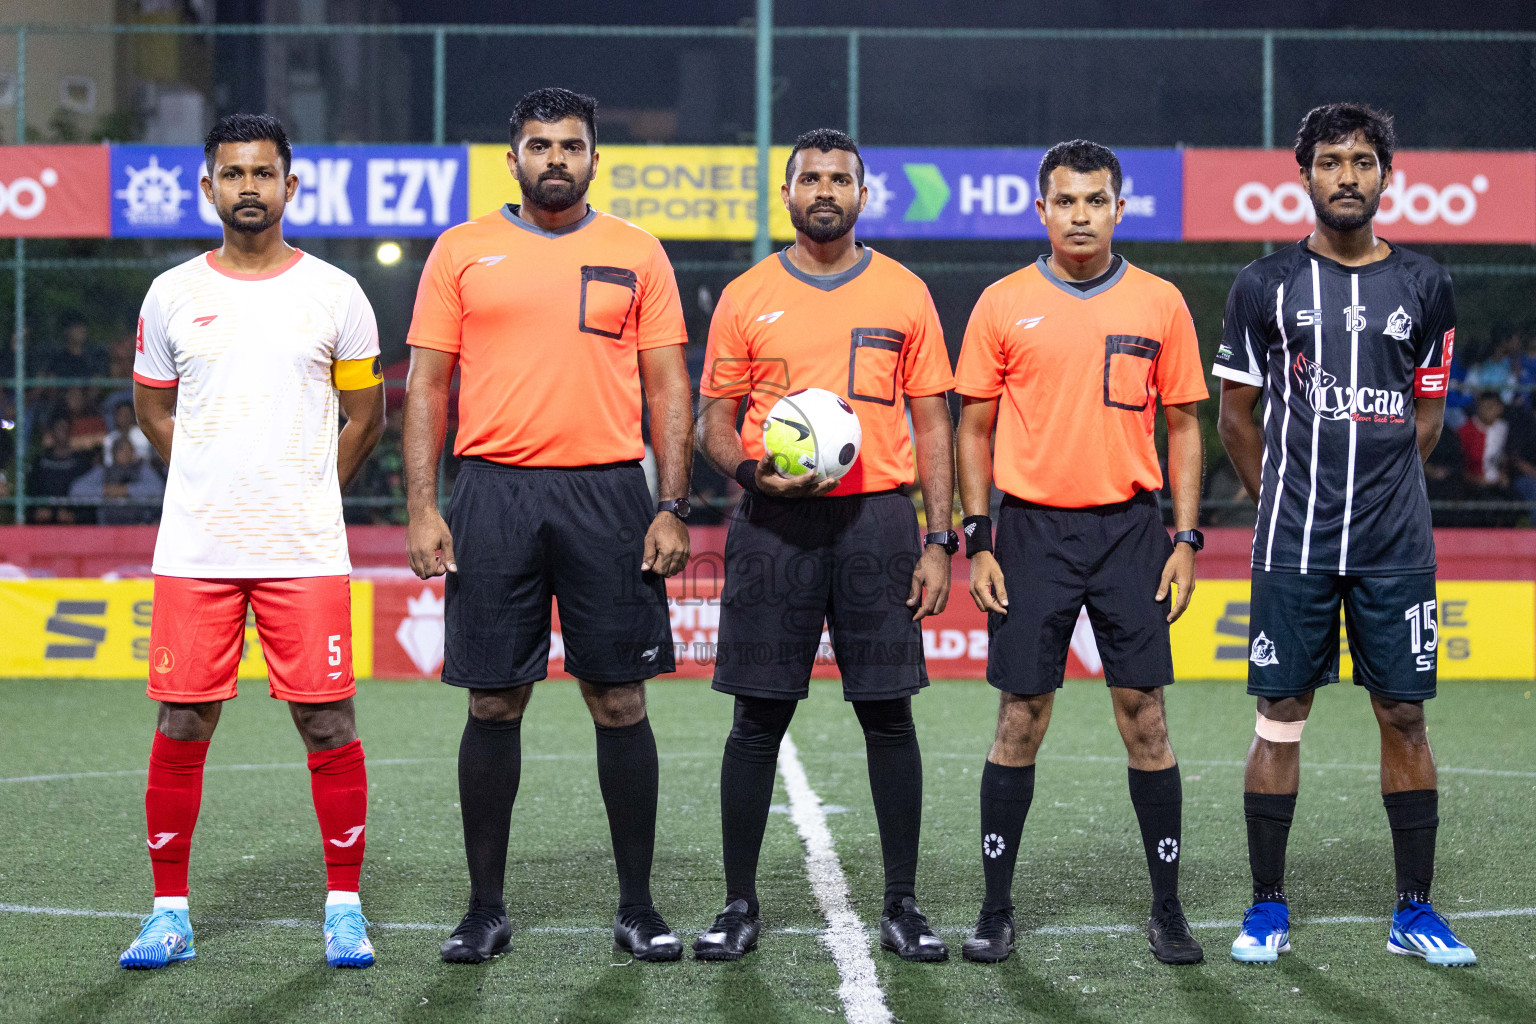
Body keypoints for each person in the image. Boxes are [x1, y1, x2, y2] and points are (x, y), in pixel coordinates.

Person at [403, 87, 694, 965]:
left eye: (571, 145)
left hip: (609, 493)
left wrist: (672, 503)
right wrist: (423, 506)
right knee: (494, 699)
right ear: (514, 158)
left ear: (595, 158)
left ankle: (637, 908)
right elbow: (425, 387)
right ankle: (484, 909)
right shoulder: (462, 251)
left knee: (620, 698)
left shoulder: (637, 251)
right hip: (493, 494)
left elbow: (668, 388)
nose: (556, 158)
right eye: (540, 145)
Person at [117, 113, 386, 971]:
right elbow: (153, 411)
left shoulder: (337, 294)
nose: (247, 188)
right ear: (207, 187)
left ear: (289, 186)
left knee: (325, 718)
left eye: (262, 174)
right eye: (231, 174)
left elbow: (367, 415)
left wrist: (305, 488)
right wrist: (211, 476)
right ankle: (169, 912)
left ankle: (343, 906)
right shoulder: (169, 295)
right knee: (184, 718)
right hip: (196, 550)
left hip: (303, 550)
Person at [1214, 102, 1475, 966]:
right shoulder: (1263, 286)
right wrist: (1279, 494)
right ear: (1305, 176)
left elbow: (1429, 410)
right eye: (1331, 161)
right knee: (1280, 715)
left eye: (1363, 161)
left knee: (1404, 714)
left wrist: (1383, 483)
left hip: (1396, 545)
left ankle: (1415, 911)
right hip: (1293, 543)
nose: (1348, 176)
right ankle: (1265, 908)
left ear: (1386, 175)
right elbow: (1236, 417)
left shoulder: (1427, 286)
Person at [693, 128, 956, 963]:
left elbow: (934, 425)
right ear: (788, 193)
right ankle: (738, 905)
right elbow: (712, 418)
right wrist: (748, 470)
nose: (826, 190)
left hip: (878, 519)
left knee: (888, 715)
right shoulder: (745, 295)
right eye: (811, 178)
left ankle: (904, 904)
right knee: (756, 718)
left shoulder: (906, 294)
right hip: (774, 521)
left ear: (863, 194)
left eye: (841, 178)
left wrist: (940, 539)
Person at [953, 139, 1208, 966]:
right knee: (1020, 715)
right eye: (1065, 201)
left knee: (1146, 718)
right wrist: (978, 538)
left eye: (1096, 200)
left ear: (1120, 208)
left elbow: (1183, 426)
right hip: (1028, 533)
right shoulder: (1001, 303)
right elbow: (975, 428)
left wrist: (1187, 538)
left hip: (1132, 532)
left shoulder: (1162, 302)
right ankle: (995, 910)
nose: (1081, 215)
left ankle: (1167, 909)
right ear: (1042, 210)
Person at [68, 435, 164, 525]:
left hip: (139, 526)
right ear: (113, 452)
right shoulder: (103, 471)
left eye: (129, 449)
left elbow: (159, 489)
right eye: (121, 449)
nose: (126, 453)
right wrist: (106, 491)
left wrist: (126, 490)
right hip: (107, 528)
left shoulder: (143, 469)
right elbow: (75, 490)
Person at [27, 414, 96, 523]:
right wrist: (37, 511)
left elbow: (89, 498)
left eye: (66, 428)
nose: (63, 432)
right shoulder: (39, 461)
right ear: (52, 432)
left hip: (74, 526)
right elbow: (31, 492)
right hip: (42, 524)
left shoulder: (82, 462)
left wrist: (75, 516)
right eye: (59, 428)